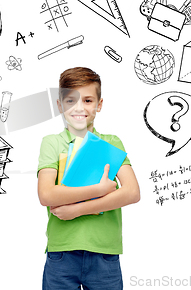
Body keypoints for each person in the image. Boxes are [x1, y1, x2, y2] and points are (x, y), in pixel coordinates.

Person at [37, 67, 140, 290]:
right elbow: (46, 195)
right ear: (59, 105)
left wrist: (76, 209)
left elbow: (132, 192)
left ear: (99, 105)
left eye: (88, 100)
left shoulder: (112, 142)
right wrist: (101, 189)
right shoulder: (52, 143)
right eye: (71, 100)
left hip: (105, 253)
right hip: (62, 252)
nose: (79, 108)